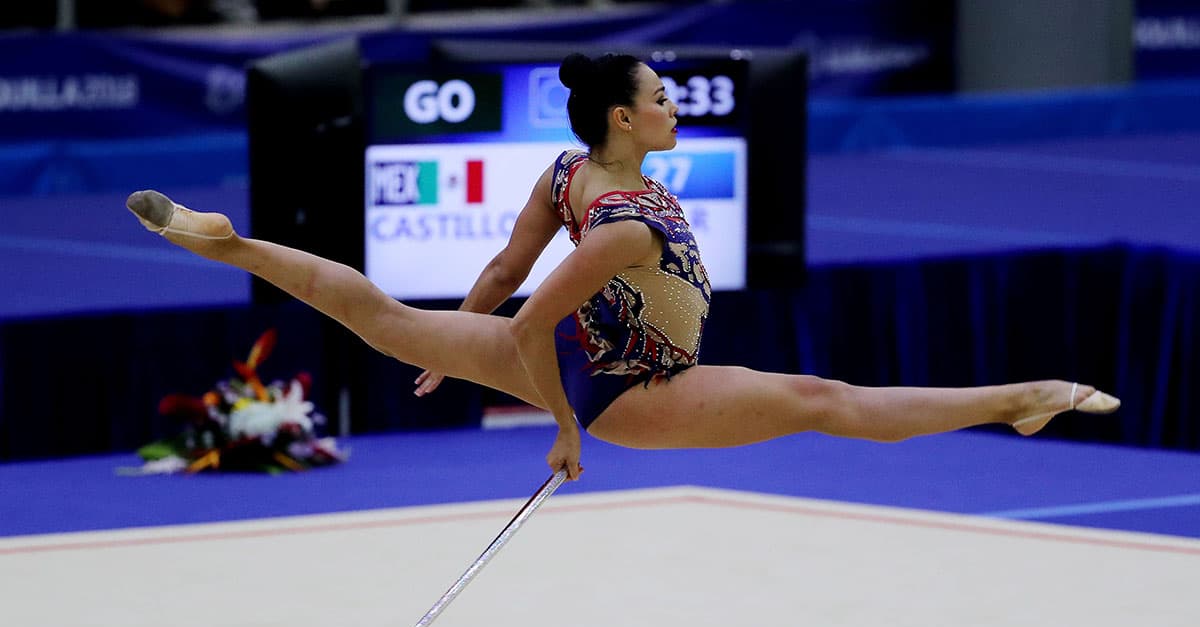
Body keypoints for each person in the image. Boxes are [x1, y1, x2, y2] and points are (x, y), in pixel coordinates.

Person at [126, 52, 1119, 482]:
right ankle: (1019, 396)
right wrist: (561, 431)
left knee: (384, 314)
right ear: (622, 118)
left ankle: (235, 241)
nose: (672, 105)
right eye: (660, 96)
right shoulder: (624, 224)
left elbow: (505, 274)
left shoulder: (567, 174)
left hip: (585, 363)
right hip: (627, 390)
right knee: (826, 399)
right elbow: (529, 327)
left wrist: (452, 343)